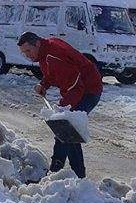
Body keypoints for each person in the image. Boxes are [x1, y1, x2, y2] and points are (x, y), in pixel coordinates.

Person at [17, 31, 102, 179]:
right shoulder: (45, 50)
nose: (27, 55)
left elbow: (76, 87)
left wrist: (62, 109)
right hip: (79, 89)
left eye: (28, 51)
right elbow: (52, 72)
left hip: (89, 90)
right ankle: (60, 170)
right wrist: (43, 84)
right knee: (65, 130)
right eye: (24, 53)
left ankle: (74, 175)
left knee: (67, 130)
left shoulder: (53, 56)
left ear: (37, 44)